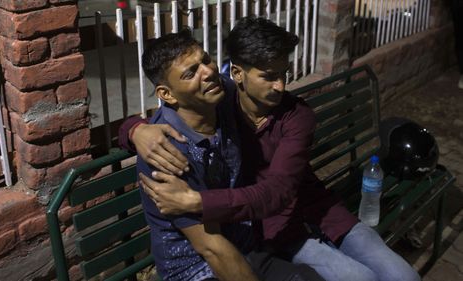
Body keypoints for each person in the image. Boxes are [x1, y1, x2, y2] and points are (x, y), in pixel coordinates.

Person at [121, 17, 420, 281]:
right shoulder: (221, 101)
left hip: (316, 214)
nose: (280, 86)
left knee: (404, 277)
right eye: (268, 76)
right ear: (237, 75)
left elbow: (277, 191)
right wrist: (135, 130)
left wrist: (198, 201)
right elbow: (177, 109)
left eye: (284, 73)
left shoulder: (295, 116)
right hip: (275, 231)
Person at [135, 28, 323, 281]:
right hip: (196, 268)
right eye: (191, 73)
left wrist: (133, 129)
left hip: (244, 246)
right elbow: (211, 248)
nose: (209, 72)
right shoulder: (166, 152)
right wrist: (139, 132)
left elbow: (278, 189)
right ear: (166, 94)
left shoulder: (220, 97)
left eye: (206, 59)